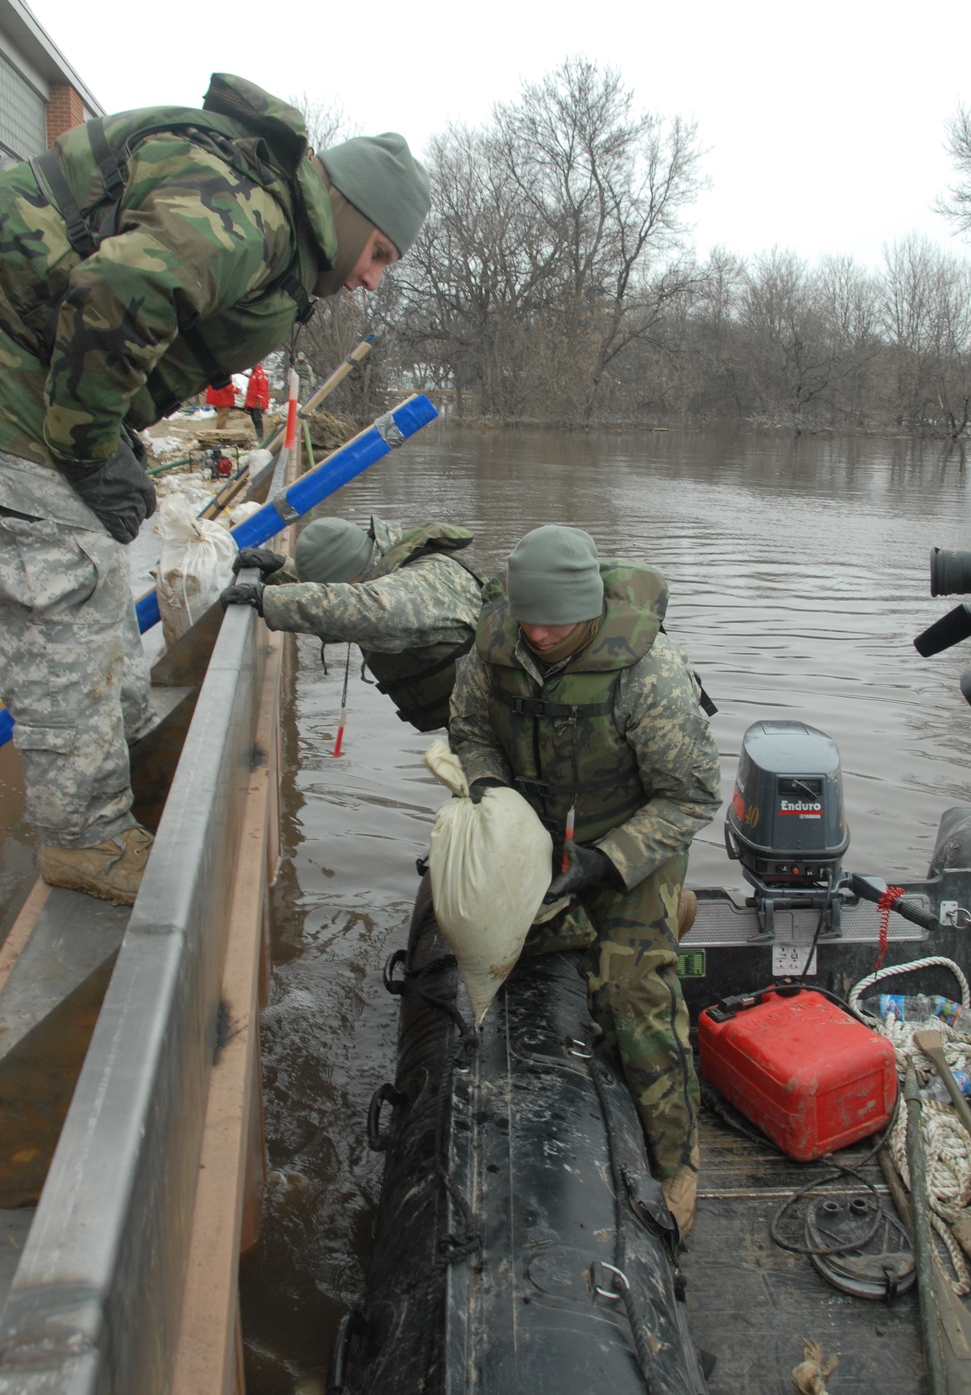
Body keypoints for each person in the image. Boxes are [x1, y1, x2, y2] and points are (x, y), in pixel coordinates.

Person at [0, 72, 431, 903]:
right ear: (345, 210)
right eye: (378, 252)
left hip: (34, 371)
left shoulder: (268, 217)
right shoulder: (250, 215)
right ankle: (85, 840)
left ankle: (123, 767)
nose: (373, 278)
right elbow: (118, 295)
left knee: (94, 593)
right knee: (69, 584)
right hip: (19, 386)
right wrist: (88, 448)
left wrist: (111, 432)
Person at [448, 525, 721, 1237]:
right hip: (538, 839)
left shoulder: (648, 675)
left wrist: (606, 863)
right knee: (516, 951)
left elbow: (690, 799)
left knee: (634, 991)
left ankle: (677, 1160)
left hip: (635, 839)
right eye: (528, 618)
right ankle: (663, 915)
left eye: (557, 622)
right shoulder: (495, 649)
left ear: (590, 610)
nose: (539, 634)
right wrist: (494, 802)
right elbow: (469, 731)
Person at [221, 516, 485, 732]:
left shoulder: (425, 579)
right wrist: (281, 571)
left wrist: (268, 600)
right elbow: (344, 597)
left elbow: (363, 610)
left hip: (502, 723)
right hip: (476, 720)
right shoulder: (387, 569)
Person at [244, 363, 270, 442]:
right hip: (252, 400)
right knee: (253, 418)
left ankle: (260, 436)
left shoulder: (261, 374)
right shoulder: (253, 374)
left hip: (258, 401)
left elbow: (262, 387)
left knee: (257, 418)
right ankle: (258, 434)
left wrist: (259, 398)